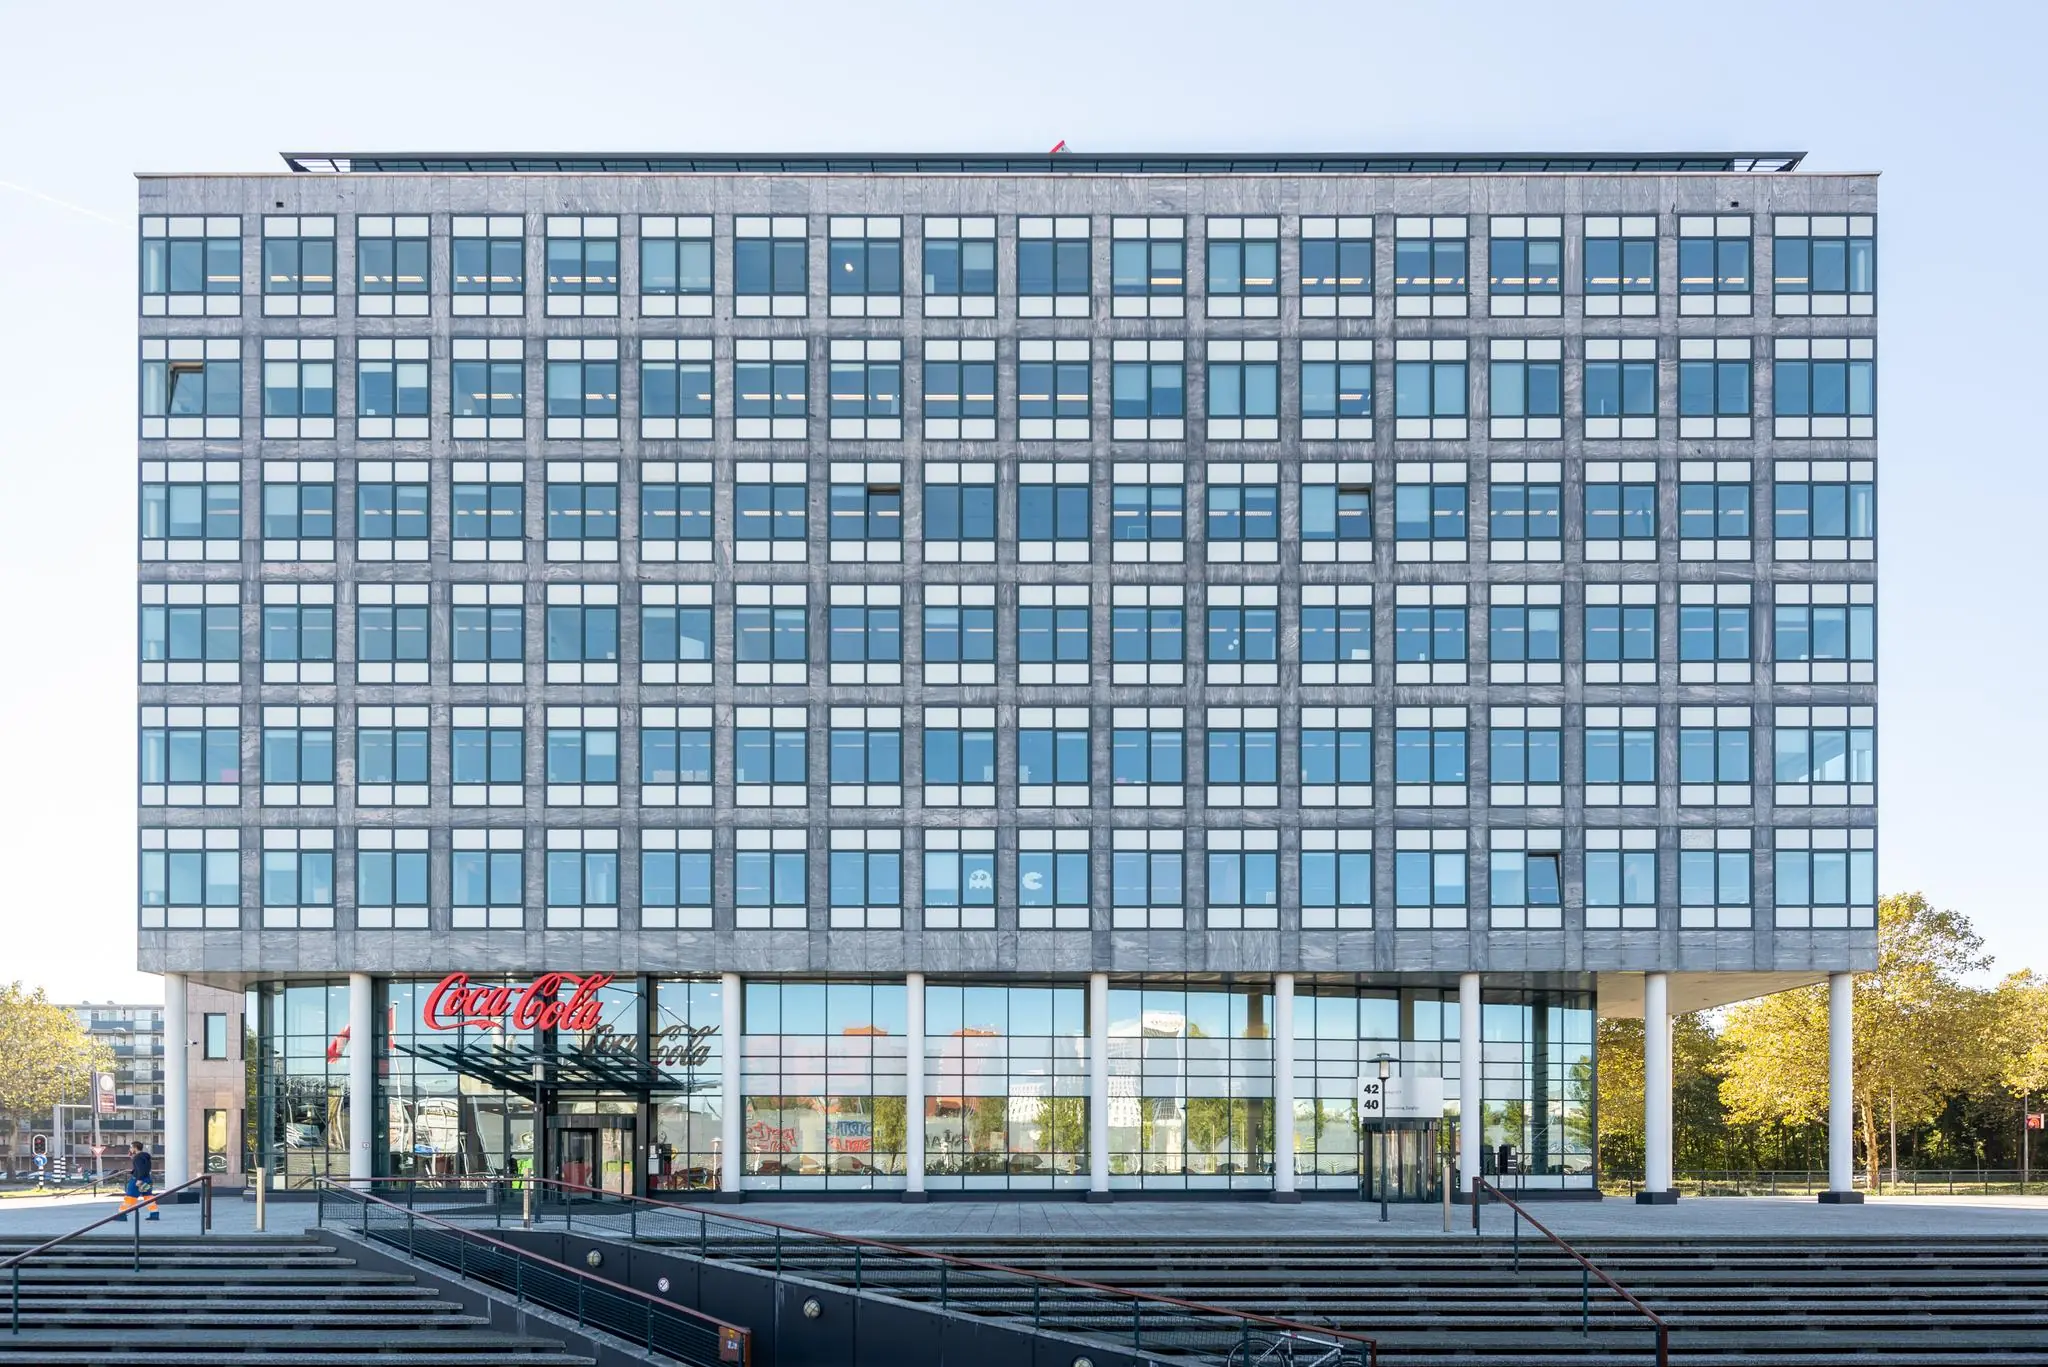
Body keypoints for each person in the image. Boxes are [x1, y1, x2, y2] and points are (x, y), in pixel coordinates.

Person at [117, 1141, 158, 1221]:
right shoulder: (145, 1156)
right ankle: (154, 1214)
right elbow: (144, 1168)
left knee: (130, 1197)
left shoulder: (138, 1157)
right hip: (147, 1179)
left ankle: (121, 1215)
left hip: (138, 1180)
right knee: (148, 1197)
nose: (130, 1149)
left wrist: (139, 1179)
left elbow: (140, 1169)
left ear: (135, 1148)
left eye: (131, 1147)